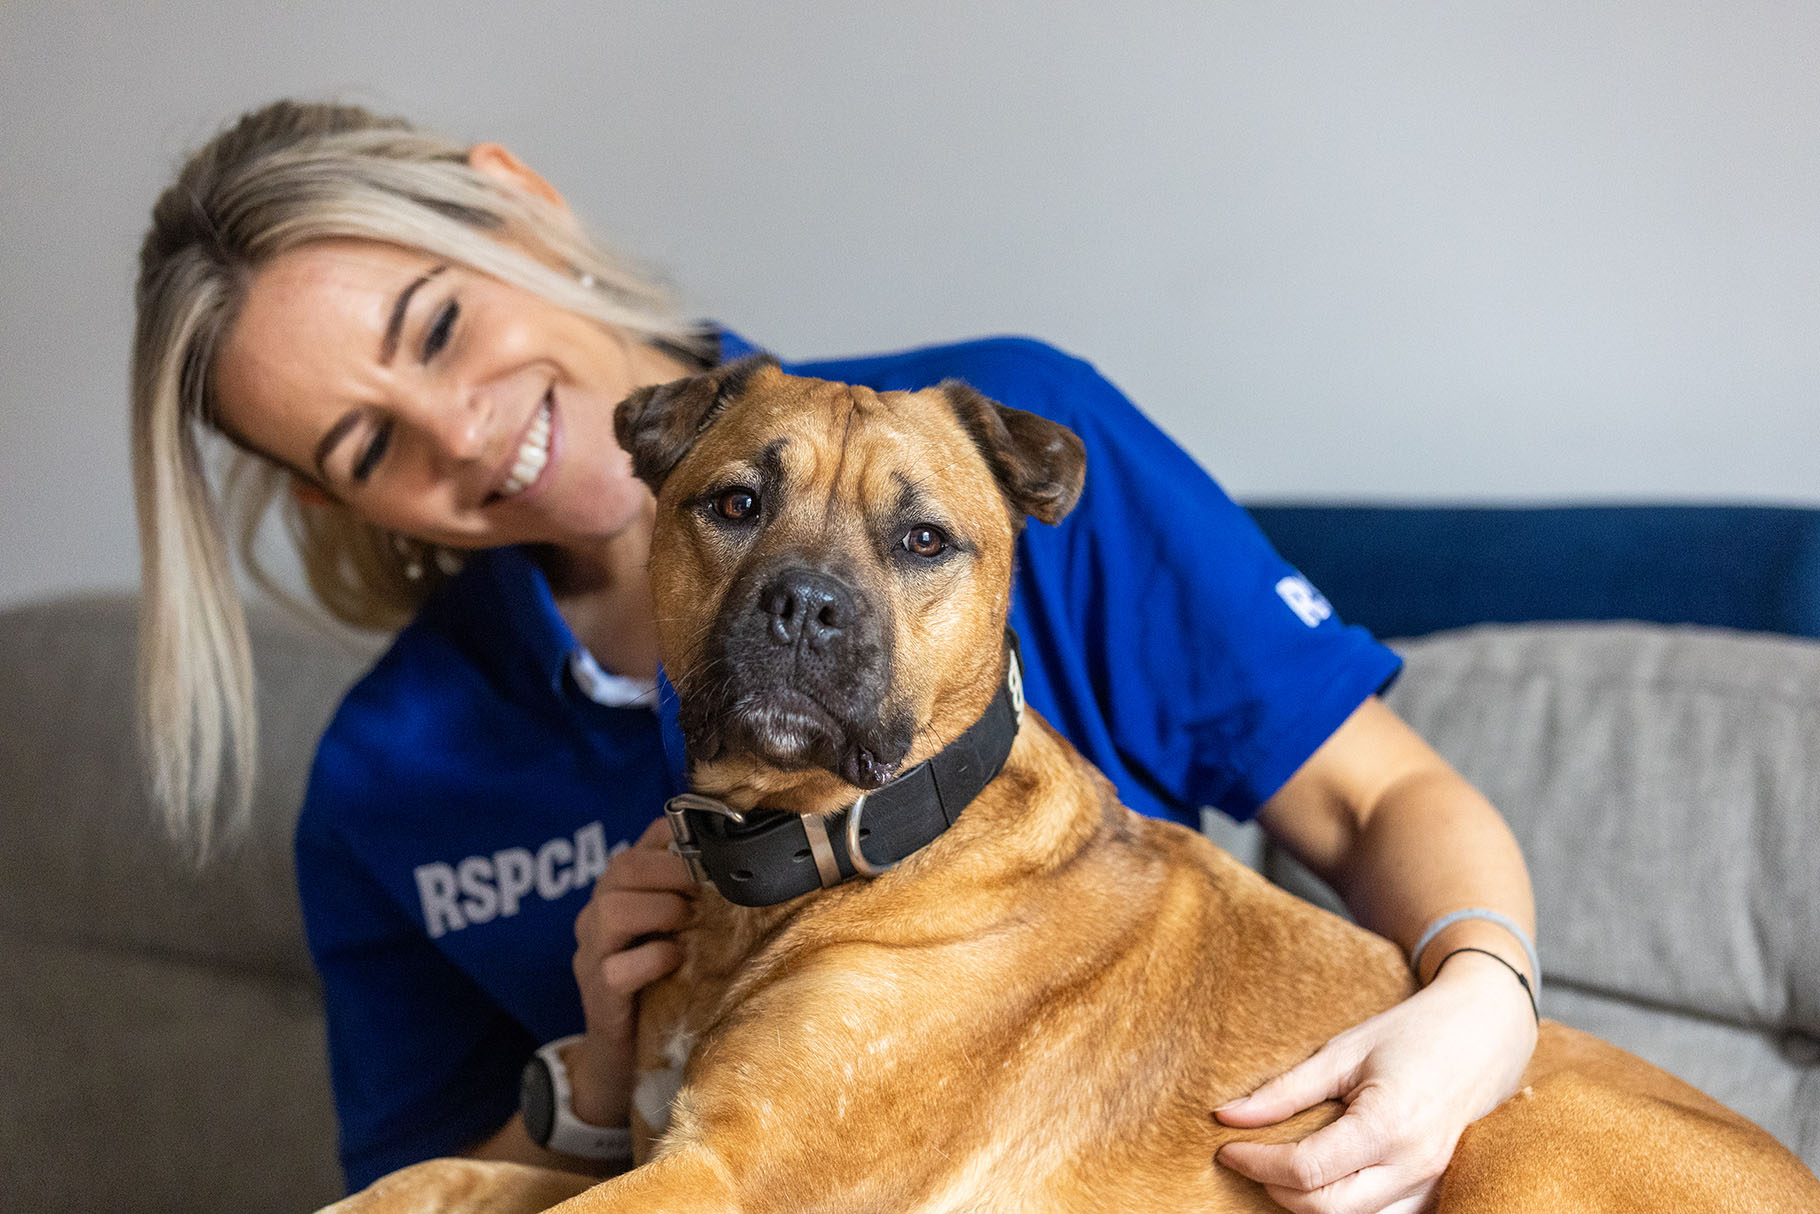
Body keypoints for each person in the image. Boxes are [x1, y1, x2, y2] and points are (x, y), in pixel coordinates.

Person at [133, 100, 1540, 1214]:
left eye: (438, 326)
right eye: (368, 442)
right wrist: (602, 1077)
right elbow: (436, 1166)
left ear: (519, 207)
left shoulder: (991, 445)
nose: (461, 428)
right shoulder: (385, 778)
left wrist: (1486, 997)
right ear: (333, 498)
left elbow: (1372, 793)